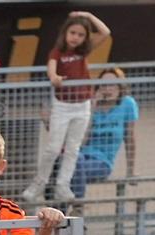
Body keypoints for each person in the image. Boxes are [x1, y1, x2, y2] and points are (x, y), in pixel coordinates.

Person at [22, 10, 109, 205]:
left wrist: (87, 15)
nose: (75, 38)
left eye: (80, 35)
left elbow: (105, 32)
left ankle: (63, 184)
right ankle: (38, 184)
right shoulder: (57, 52)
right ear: (65, 33)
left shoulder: (82, 52)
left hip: (82, 106)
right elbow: (51, 69)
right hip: (62, 106)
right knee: (53, 148)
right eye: (73, 33)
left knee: (72, 149)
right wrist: (55, 78)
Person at [74, 70, 138, 199]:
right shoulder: (91, 105)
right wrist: (92, 108)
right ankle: (61, 213)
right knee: (69, 164)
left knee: (70, 169)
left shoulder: (127, 104)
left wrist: (130, 171)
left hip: (102, 161)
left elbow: (130, 138)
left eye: (112, 85)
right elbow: (81, 142)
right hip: (80, 156)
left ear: (120, 87)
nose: (107, 89)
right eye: (103, 85)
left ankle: (77, 204)